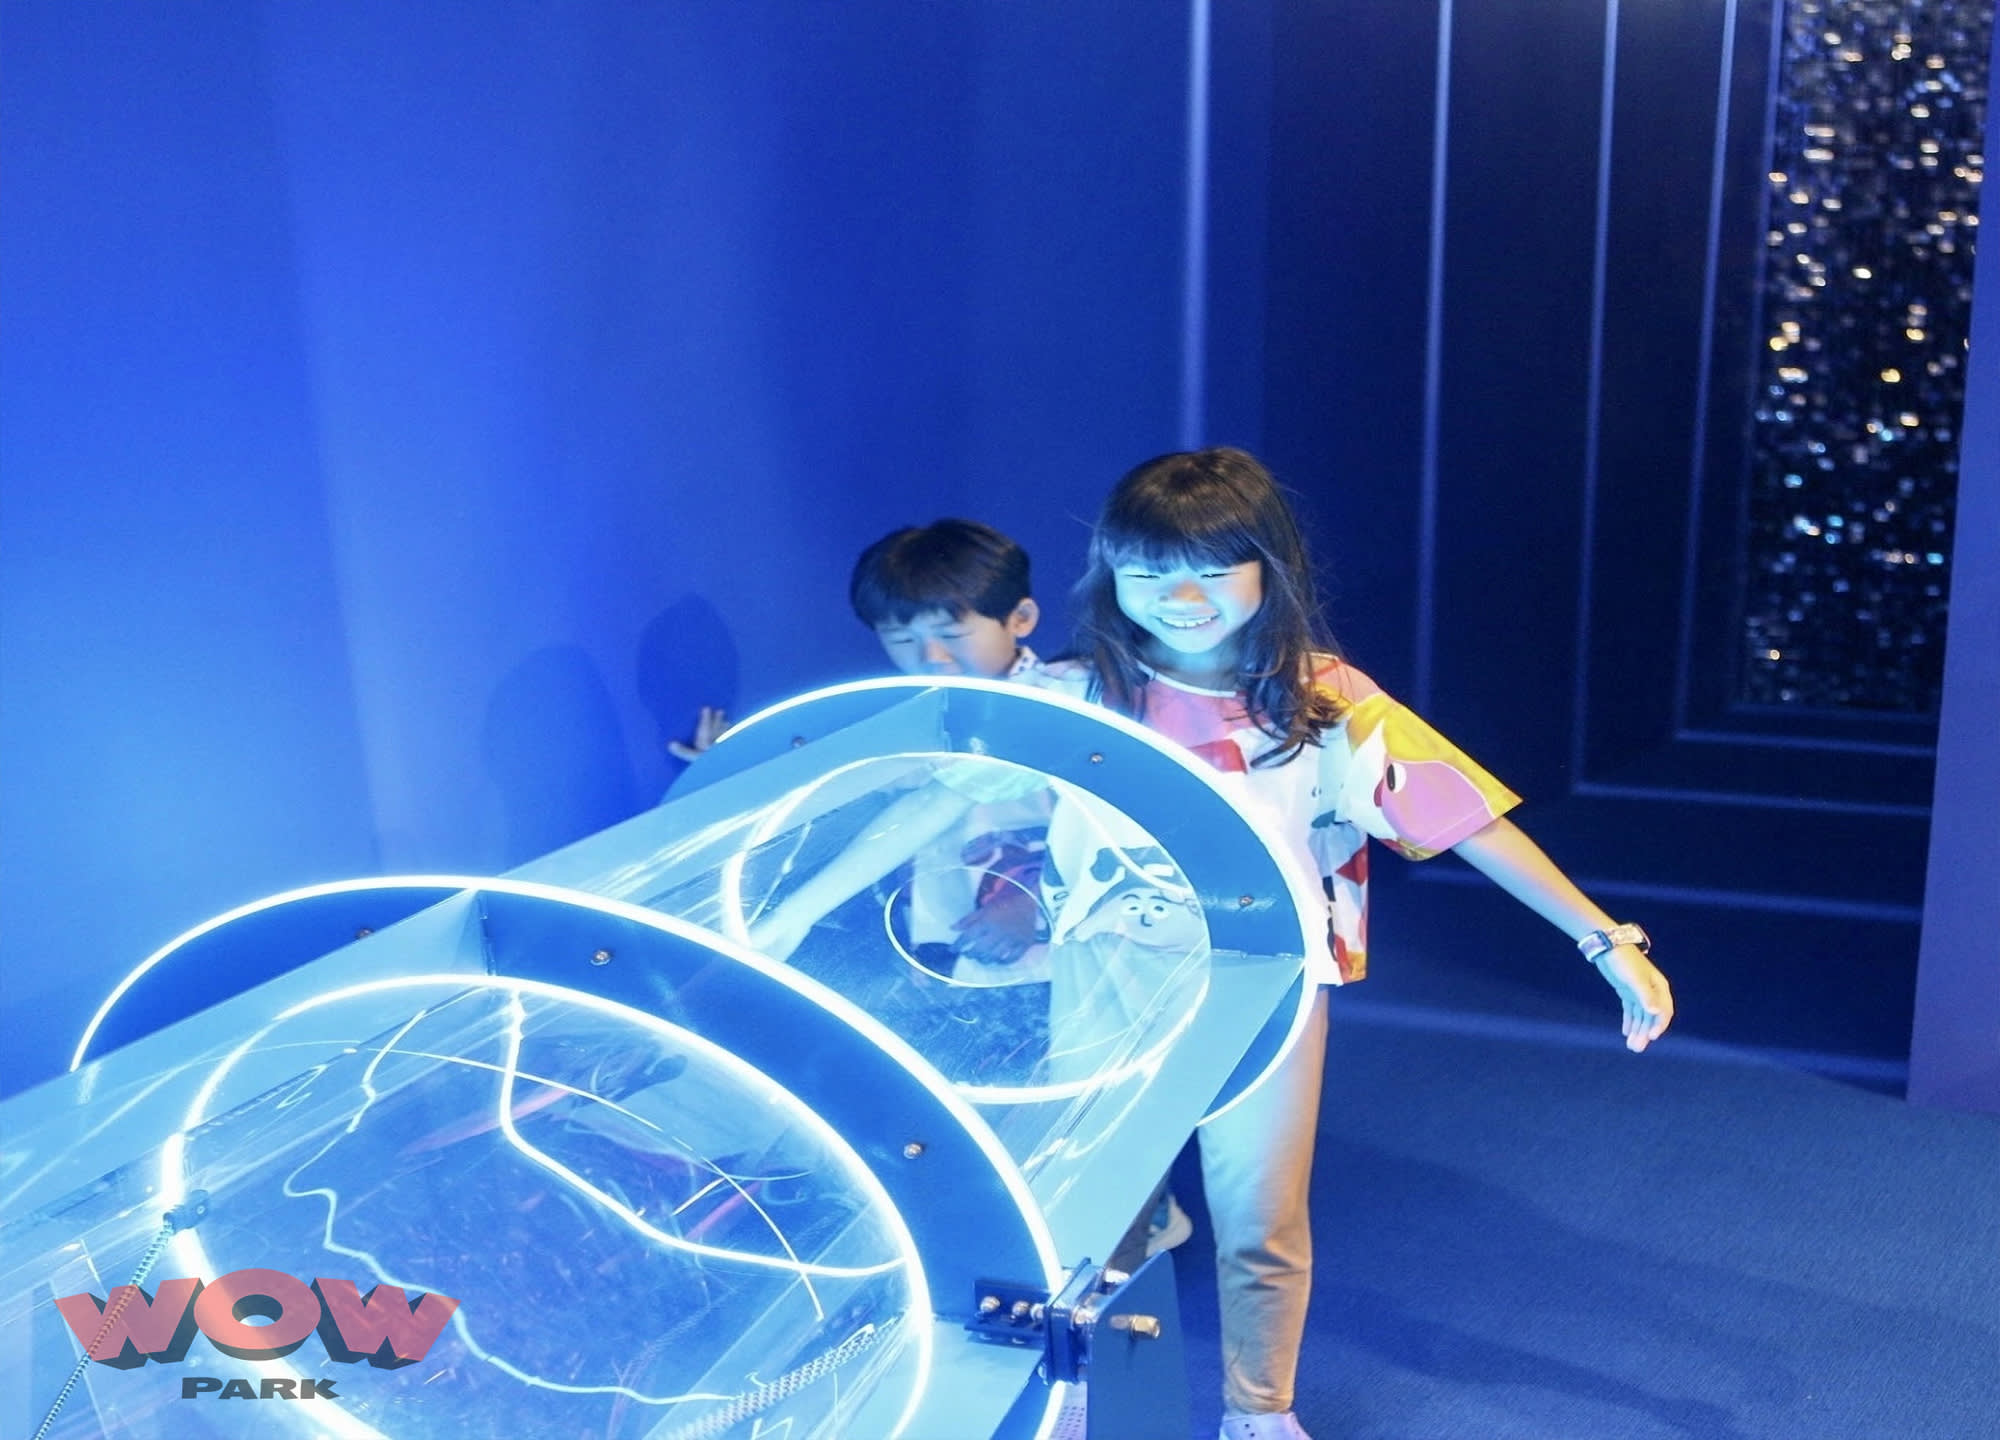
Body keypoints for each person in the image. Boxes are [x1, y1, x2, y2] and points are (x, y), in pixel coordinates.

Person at [1025, 447, 1674, 1440]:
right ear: (1111, 571)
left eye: (1213, 568)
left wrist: (1603, 940)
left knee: (1261, 1216)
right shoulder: (1071, 696)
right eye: (1149, 571)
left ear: (1268, 568)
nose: (1181, 599)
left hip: (1265, 987)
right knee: (1086, 1210)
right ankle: (1080, 1396)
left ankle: (1257, 1412)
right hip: (1107, 975)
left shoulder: (1322, 699)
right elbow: (935, 797)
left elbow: (1467, 820)